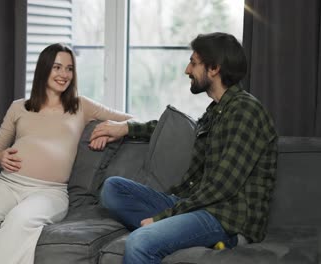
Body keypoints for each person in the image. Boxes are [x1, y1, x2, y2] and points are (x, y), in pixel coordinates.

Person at [89, 32, 278, 264]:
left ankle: (198, 236)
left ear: (214, 68)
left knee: (140, 242)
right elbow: (182, 130)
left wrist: (162, 218)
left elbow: (222, 187)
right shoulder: (216, 111)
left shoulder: (245, 112)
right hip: (198, 205)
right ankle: (183, 235)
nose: (187, 70)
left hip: (225, 217)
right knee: (113, 189)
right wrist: (127, 128)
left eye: (194, 63)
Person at [0, 43, 132, 264]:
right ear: (44, 69)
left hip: (49, 193)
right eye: (57, 67)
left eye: (69, 69)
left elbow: (132, 118)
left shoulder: (81, 106)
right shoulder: (18, 107)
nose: (64, 74)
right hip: (7, 185)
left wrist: (113, 130)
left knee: (18, 222)